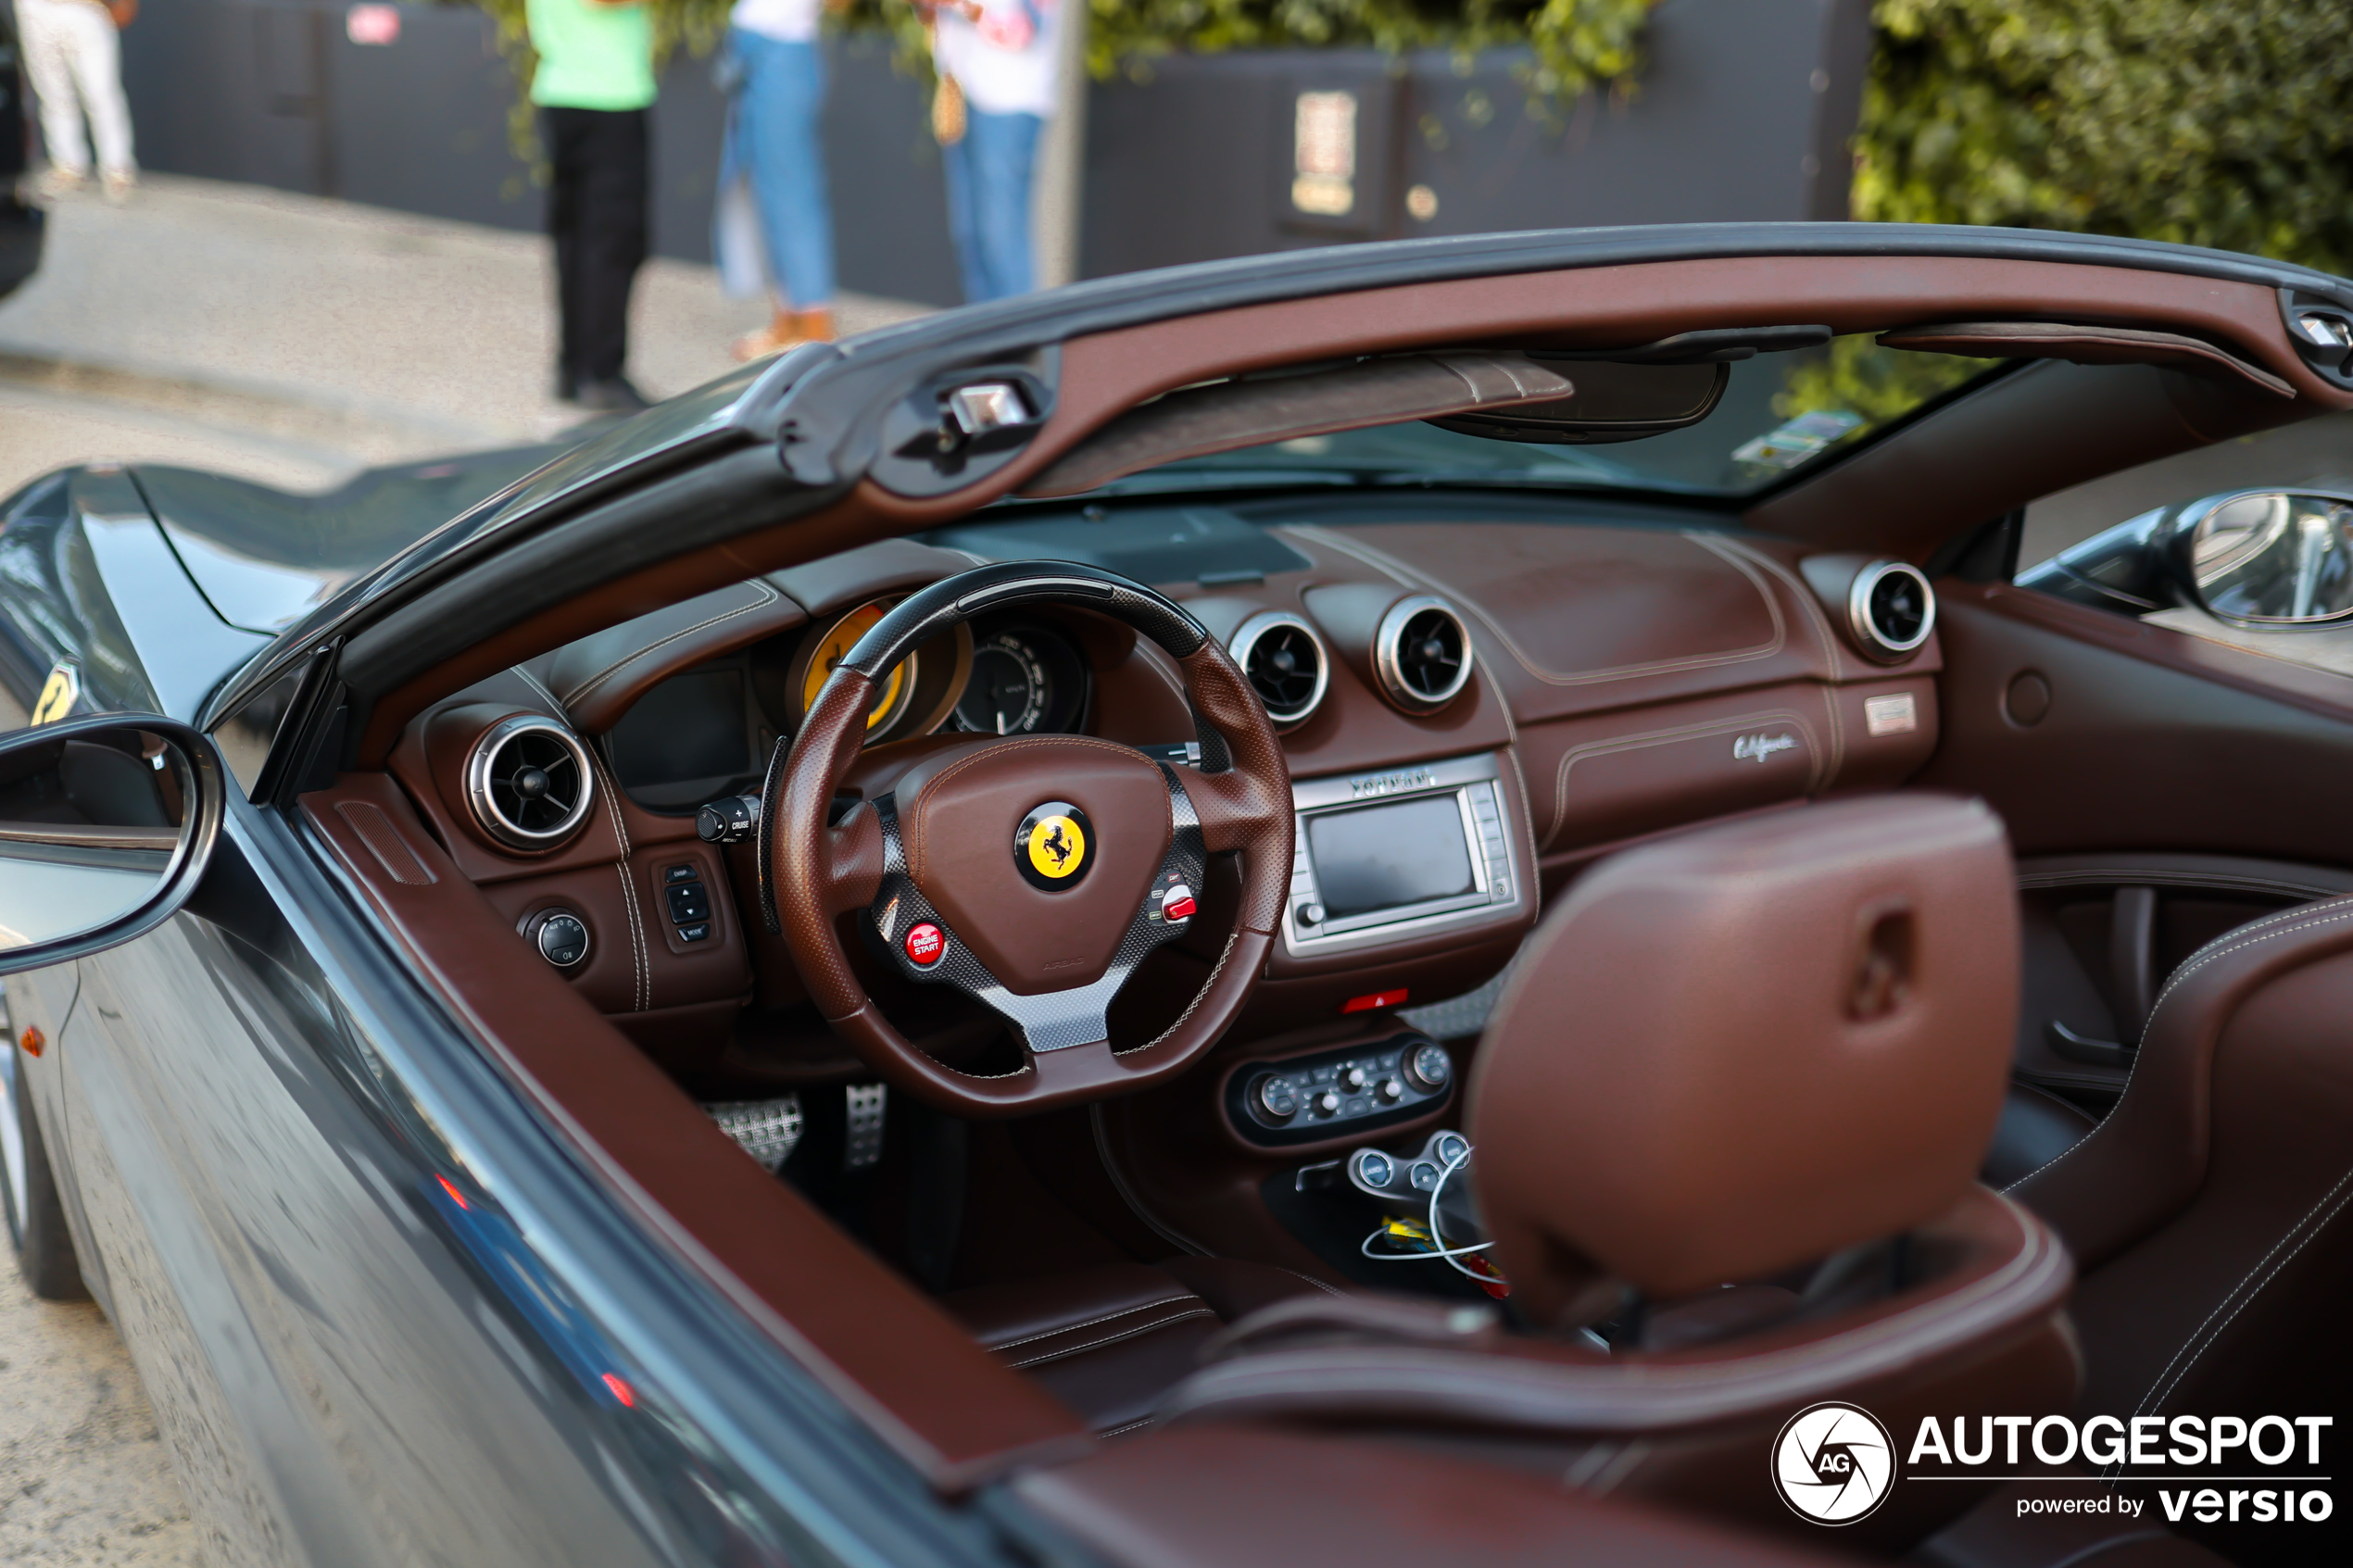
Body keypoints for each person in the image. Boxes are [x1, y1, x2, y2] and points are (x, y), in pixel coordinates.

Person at [525, 0, 656, 412]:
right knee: (613, 241)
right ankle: (600, 374)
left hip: (565, 88)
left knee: (576, 238)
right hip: (608, 96)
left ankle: (573, 367)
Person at [716, 0, 839, 360]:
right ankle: (789, 319)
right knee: (764, 191)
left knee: (791, 192)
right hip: (755, 49)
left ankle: (815, 328)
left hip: (783, 52)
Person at [928, 0, 1058, 304]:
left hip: (1008, 100)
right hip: (962, 88)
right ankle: (986, 341)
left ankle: (1021, 342)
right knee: (969, 233)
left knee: (1001, 234)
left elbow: (1023, 28)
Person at [19, 0, 138, 204]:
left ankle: (117, 169)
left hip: (85, 8)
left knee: (101, 93)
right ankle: (68, 164)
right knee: (53, 94)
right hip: (36, 9)